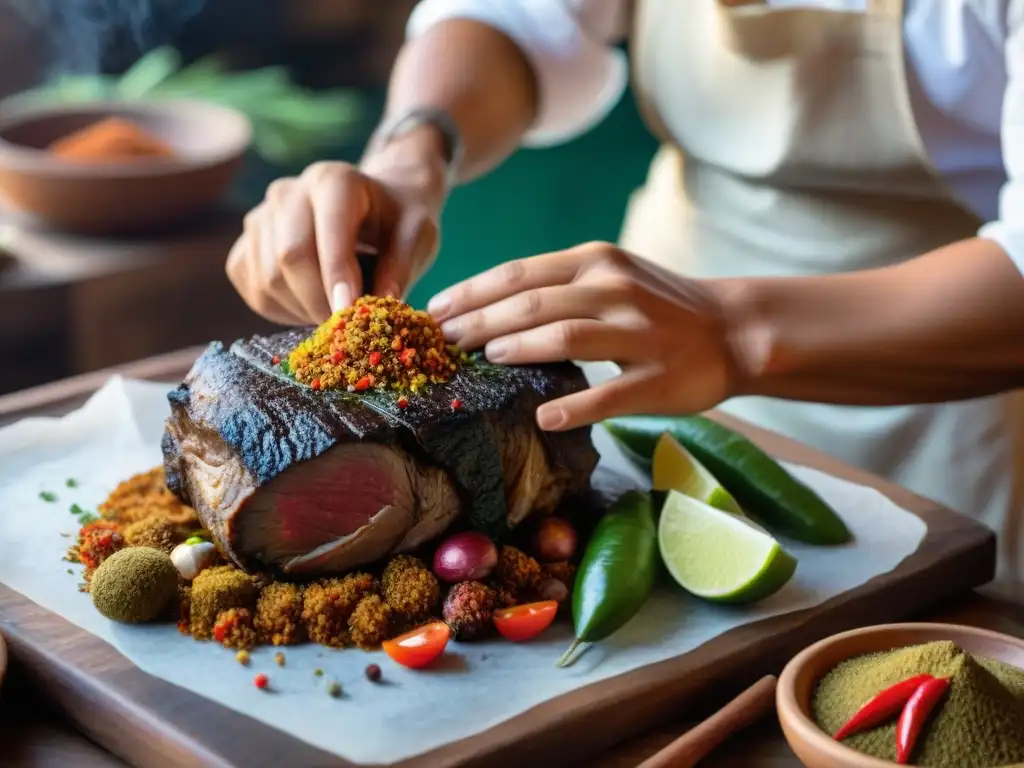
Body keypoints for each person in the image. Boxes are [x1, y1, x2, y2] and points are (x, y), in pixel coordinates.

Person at [226, 0, 1024, 591]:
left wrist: (732, 334)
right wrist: (412, 147)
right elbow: (517, 16)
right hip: (650, 355)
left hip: (933, 387)